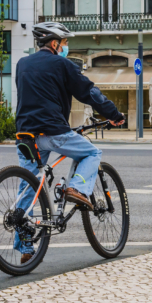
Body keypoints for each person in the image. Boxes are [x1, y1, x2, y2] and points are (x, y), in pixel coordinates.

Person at [14, 22, 125, 258]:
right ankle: (77, 188)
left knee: (29, 186)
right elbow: (89, 92)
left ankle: (24, 247)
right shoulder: (62, 64)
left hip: (25, 135)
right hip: (53, 132)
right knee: (92, 153)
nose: (66, 47)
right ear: (54, 44)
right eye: (65, 43)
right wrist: (113, 115)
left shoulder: (22, 64)